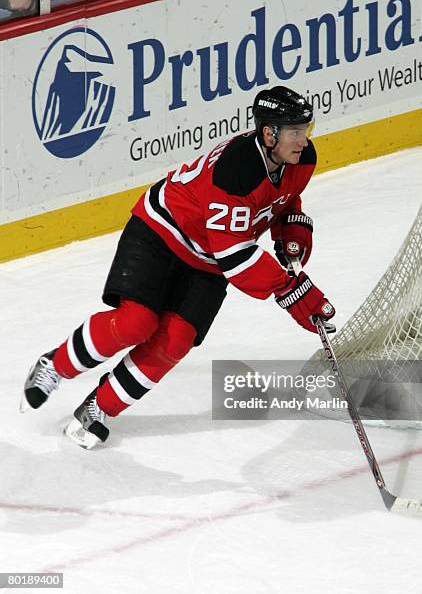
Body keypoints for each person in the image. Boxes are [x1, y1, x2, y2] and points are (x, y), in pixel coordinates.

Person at [21, 85, 335, 449]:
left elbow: (281, 197)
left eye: (305, 129)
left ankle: (99, 407)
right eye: (295, 131)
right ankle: (55, 366)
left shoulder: (302, 158)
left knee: (176, 340)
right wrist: (291, 290)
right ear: (269, 133)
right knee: (135, 322)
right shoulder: (236, 170)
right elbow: (236, 258)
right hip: (161, 230)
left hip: (208, 257)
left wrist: (292, 223)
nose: (304, 139)